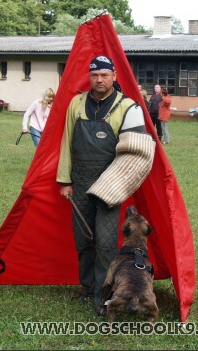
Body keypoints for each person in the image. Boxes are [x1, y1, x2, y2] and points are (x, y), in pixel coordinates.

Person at [56, 55, 149, 311]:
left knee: (107, 243)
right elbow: (66, 143)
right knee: (83, 239)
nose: (99, 80)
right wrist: (65, 180)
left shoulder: (128, 107)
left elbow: (138, 152)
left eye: (104, 75)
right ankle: (88, 287)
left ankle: (104, 296)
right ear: (90, 76)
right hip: (80, 180)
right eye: (95, 75)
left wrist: (119, 183)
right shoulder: (76, 103)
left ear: (114, 76)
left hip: (110, 183)